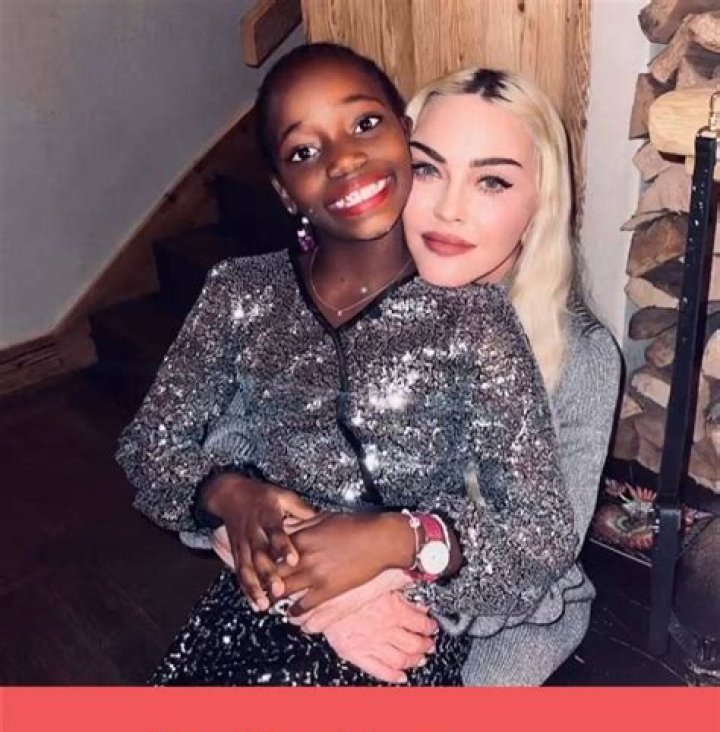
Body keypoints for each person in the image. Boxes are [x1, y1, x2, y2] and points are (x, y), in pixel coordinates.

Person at [116, 45, 577, 686]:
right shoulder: (240, 293)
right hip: (256, 601)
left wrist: (401, 538)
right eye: (305, 151)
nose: (343, 158)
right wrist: (228, 494)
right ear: (284, 191)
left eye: (364, 123)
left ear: (404, 135)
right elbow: (147, 447)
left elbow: (541, 535)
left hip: (400, 629)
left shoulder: (474, 319)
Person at [294, 66, 622, 686]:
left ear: (540, 206)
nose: (449, 209)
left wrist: (363, 582)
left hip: (498, 615)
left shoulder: (581, 358)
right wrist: (320, 594)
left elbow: (532, 566)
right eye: (427, 169)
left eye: (491, 181)